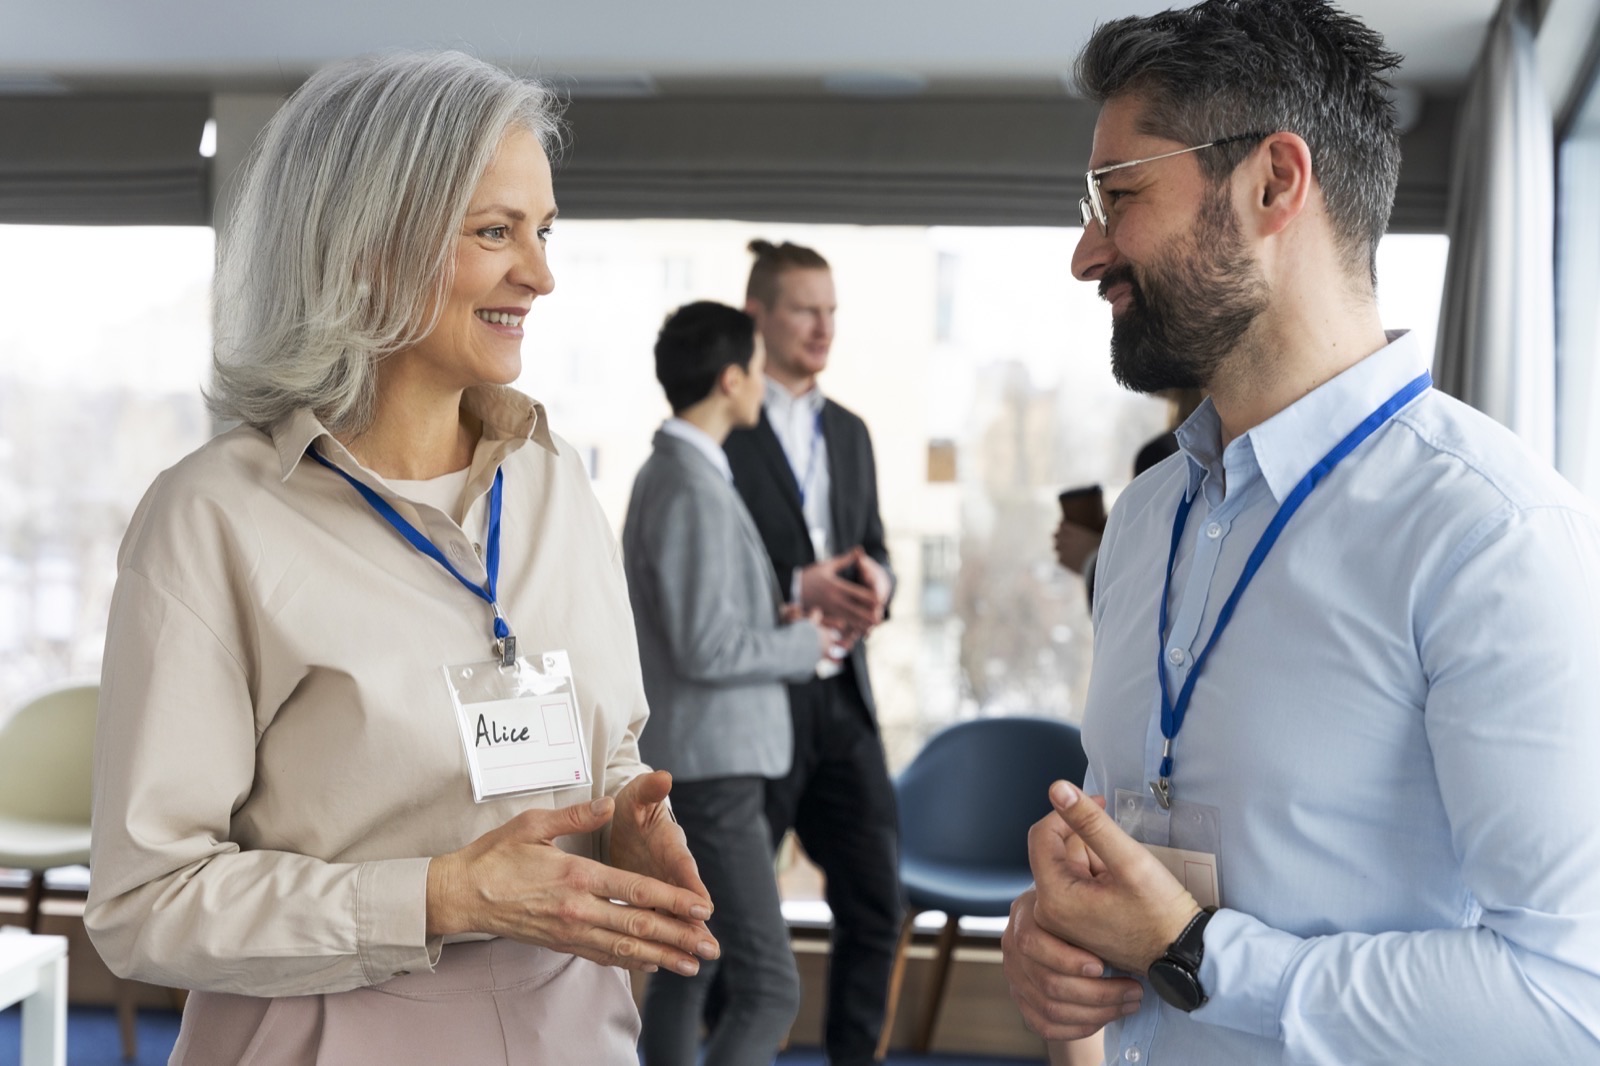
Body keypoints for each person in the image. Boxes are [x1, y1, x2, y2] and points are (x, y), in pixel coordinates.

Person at [85, 51, 718, 1066]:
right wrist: (438, 896)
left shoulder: (555, 485)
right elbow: (142, 903)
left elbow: (602, 758)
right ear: (367, 247)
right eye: (495, 232)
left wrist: (625, 826)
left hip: (574, 1029)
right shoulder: (212, 517)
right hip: (326, 1032)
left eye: (544, 230)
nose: (541, 273)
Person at [1002, 2, 1600, 1064]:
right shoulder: (1145, 519)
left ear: (1275, 183)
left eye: (1118, 194)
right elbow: (1120, 878)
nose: (1086, 253)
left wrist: (1196, 953)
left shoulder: (1490, 535)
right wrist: (1053, 945)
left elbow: (1570, 998)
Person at [626, 301, 834, 1065]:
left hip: (702, 761)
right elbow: (706, 647)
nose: (765, 382)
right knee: (771, 987)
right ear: (729, 379)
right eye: (756, 365)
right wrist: (805, 643)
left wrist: (773, 614)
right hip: (711, 769)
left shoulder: (685, 472)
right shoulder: (686, 483)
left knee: (689, 966)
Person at [721, 239, 901, 1065]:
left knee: (876, 902)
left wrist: (879, 588)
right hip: (760, 702)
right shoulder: (721, 431)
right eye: (805, 309)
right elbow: (699, 578)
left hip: (843, 703)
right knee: (734, 916)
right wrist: (801, 585)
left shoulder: (855, 432)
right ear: (758, 316)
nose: (824, 327)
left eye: (832, 311)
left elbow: (873, 547)